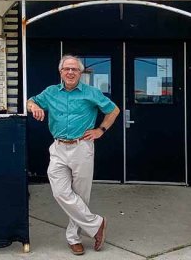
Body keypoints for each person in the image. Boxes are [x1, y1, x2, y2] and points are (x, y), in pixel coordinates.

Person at [27, 55, 120, 255]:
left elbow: (114, 110)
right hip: (59, 147)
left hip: (82, 147)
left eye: (74, 69)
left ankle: (74, 238)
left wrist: (100, 130)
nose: (70, 72)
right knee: (60, 192)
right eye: (66, 69)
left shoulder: (91, 93)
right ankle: (97, 224)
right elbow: (30, 101)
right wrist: (33, 106)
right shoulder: (51, 92)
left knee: (80, 196)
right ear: (60, 72)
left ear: (80, 73)